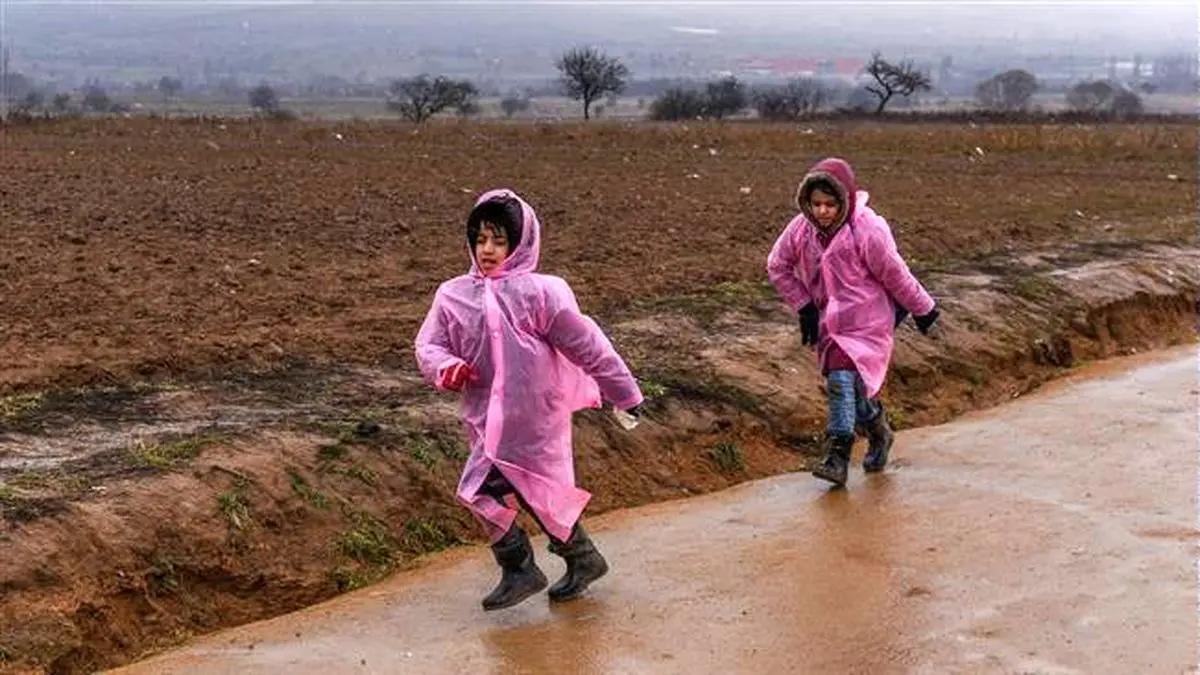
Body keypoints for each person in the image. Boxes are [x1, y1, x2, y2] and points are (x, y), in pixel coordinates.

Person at [415, 188, 644, 610]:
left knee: (540, 494)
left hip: (536, 419)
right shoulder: (452, 295)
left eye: (499, 240)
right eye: (480, 239)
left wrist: (625, 393)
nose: (487, 249)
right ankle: (532, 565)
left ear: (520, 243)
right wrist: (446, 367)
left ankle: (561, 562)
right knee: (480, 493)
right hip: (487, 421)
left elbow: (587, 344)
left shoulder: (542, 293)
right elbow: (428, 345)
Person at [766, 157, 941, 487]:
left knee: (841, 380)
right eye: (815, 204)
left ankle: (837, 456)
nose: (822, 212)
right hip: (829, 323)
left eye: (830, 204)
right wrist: (803, 306)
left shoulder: (868, 230)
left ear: (844, 199)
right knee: (854, 393)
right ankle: (879, 431)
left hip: (867, 322)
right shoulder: (801, 230)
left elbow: (895, 274)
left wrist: (923, 308)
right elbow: (777, 265)